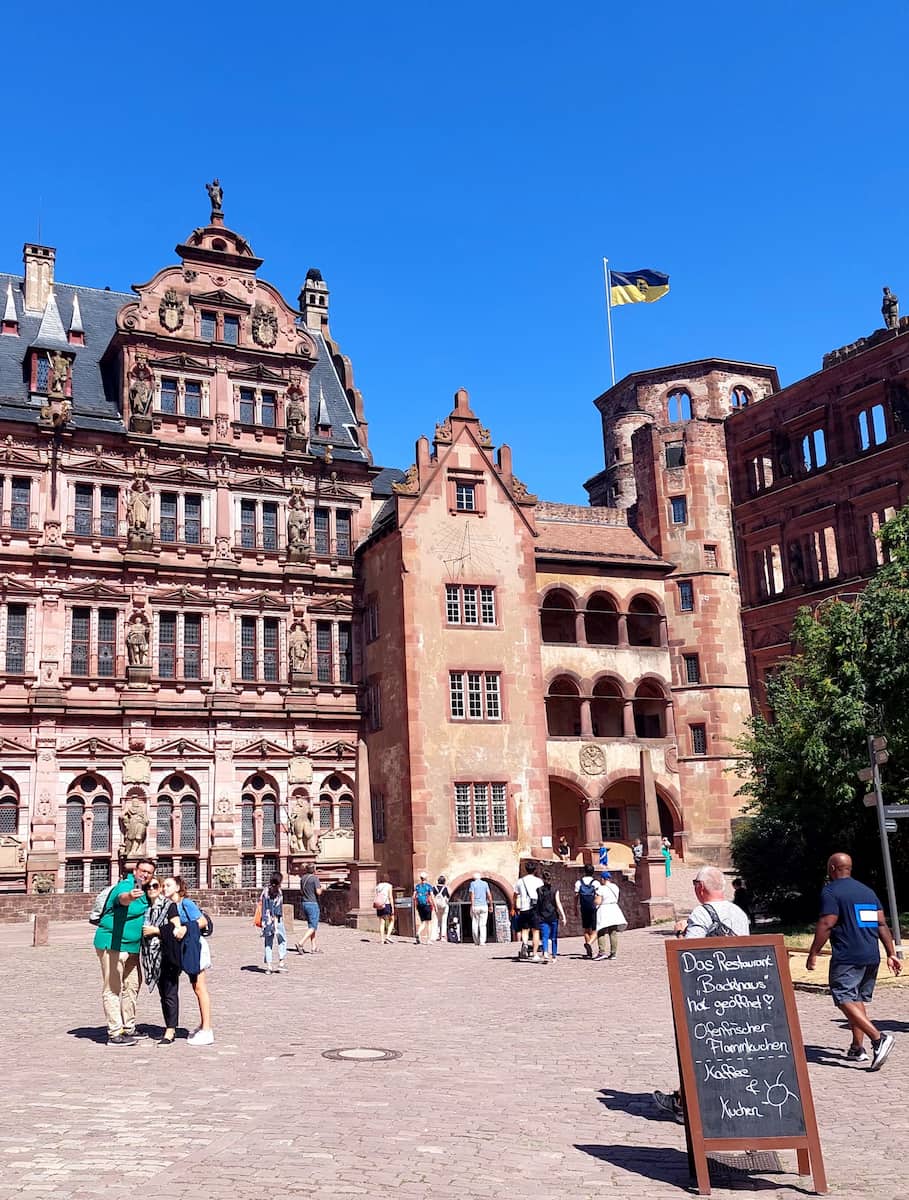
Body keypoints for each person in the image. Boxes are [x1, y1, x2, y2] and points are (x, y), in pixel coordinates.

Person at [654, 868, 751, 1121]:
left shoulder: (701, 912)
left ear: (700, 887)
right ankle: (688, 1098)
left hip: (708, 993)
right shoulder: (738, 913)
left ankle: (685, 1105)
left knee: (698, 1048)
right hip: (740, 991)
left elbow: (689, 953)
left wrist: (680, 933)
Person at [806, 852, 901, 1069]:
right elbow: (880, 924)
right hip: (870, 955)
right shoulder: (867, 892)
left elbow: (827, 923)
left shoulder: (831, 892)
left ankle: (878, 1039)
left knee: (843, 997)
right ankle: (857, 1048)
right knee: (855, 998)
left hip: (848, 956)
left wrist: (813, 953)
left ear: (831, 868)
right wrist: (891, 952)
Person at [93, 857, 155, 1046]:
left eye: (149, 872)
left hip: (132, 947)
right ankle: (114, 1032)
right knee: (113, 987)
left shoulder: (147, 891)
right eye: (142, 870)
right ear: (135, 870)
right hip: (112, 944)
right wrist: (130, 896)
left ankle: (129, 1027)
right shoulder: (125, 886)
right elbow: (122, 898)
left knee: (133, 985)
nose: (144, 874)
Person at [170, 876, 213, 1046]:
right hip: (187, 948)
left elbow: (202, 921)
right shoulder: (172, 906)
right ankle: (203, 1025)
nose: (164, 888)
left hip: (195, 947)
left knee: (200, 987)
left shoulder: (185, 903)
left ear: (178, 887)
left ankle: (207, 1030)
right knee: (196, 987)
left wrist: (185, 928)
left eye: (168, 885)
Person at [140, 875, 182, 1046]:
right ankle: (168, 1025)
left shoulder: (169, 906)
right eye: (148, 887)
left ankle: (171, 1030)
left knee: (170, 993)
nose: (151, 889)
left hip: (166, 954)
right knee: (163, 994)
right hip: (151, 956)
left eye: (155, 886)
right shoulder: (143, 908)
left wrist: (155, 930)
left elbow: (176, 927)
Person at [513, 860, 544, 961]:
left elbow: (515, 895)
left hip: (523, 907)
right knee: (536, 931)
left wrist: (514, 906)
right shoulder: (539, 881)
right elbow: (542, 895)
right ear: (534, 870)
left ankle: (525, 944)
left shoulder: (520, 881)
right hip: (535, 908)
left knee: (525, 929)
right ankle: (535, 954)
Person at [535, 871, 567, 962]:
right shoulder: (555, 890)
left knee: (545, 936)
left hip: (543, 915)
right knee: (554, 937)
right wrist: (563, 916)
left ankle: (545, 952)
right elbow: (558, 903)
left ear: (543, 879)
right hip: (553, 915)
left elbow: (538, 903)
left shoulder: (539, 890)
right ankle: (554, 956)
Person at [595, 871, 627, 960]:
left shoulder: (601, 889)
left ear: (602, 879)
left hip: (604, 909)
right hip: (614, 908)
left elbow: (598, 901)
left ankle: (602, 952)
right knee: (613, 932)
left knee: (601, 931)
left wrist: (594, 899)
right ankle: (613, 953)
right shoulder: (615, 887)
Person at [261, 872, 288, 973]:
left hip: (266, 921)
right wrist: (276, 925)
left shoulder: (265, 891)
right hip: (277, 921)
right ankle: (281, 962)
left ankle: (269, 966)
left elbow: (263, 906)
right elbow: (277, 910)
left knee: (268, 943)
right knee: (282, 940)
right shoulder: (279, 892)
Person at [296, 863, 324, 953]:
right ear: (314, 870)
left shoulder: (302, 879)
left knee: (311, 926)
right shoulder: (315, 878)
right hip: (312, 903)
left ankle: (314, 947)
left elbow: (301, 891)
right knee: (313, 926)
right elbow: (318, 892)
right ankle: (301, 943)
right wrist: (322, 888)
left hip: (304, 903)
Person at [575, 867, 599, 959]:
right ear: (593, 872)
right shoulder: (596, 883)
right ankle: (589, 944)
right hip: (593, 908)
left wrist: (575, 908)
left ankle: (589, 951)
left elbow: (576, 897)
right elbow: (598, 895)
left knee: (586, 929)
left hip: (584, 908)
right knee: (595, 929)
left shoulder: (578, 883)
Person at [467, 872, 492, 945]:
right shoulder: (485, 884)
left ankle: (476, 941)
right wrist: (491, 905)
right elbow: (489, 895)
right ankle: (482, 941)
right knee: (483, 924)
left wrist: (472, 905)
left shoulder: (473, 884)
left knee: (475, 923)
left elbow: (472, 895)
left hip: (476, 905)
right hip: (484, 905)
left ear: (474, 878)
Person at [413, 872, 434, 945]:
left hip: (420, 906)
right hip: (427, 905)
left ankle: (418, 933)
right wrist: (434, 905)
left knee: (423, 922)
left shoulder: (417, 886)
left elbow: (414, 897)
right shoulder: (428, 886)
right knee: (429, 922)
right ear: (426, 878)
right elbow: (432, 896)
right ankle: (428, 940)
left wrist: (416, 905)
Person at [374, 876, 395, 943]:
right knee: (392, 919)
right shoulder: (389, 886)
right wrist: (392, 907)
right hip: (387, 904)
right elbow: (390, 897)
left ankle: (382, 940)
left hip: (380, 905)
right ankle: (388, 936)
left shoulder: (378, 886)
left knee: (382, 922)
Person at [432, 875, 451, 942]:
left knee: (436, 920)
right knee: (444, 920)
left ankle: (436, 935)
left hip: (436, 906)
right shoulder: (445, 888)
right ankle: (443, 936)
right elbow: (448, 896)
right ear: (444, 881)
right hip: (443, 906)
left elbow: (432, 896)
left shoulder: (434, 887)